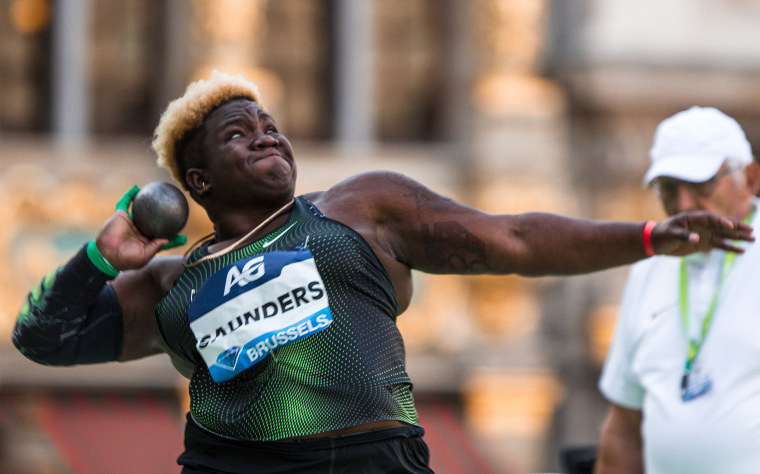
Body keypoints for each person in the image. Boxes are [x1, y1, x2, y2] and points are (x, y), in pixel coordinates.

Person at [12, 72, 753, 474]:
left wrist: (651, 235)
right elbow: (42, 338)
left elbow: (516, 238)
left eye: (270, 123)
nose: (266, 134)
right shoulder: (174, 282)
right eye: (239, 134)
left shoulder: (358, 209)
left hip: (375, 462)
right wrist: (105, 254)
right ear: (197, 183)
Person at [595, 106, 760, 473]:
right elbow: (623, 428)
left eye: (701, 184)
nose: (684, 205)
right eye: (669, 188)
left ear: (749, 179)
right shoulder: (648, 270)